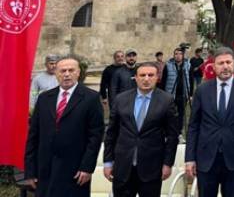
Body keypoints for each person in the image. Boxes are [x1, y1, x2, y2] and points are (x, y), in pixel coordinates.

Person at [24, 56, 104, 197]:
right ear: (56, 73)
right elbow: (33, 136)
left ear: (78, 73)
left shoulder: (91, 98)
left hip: (75, 171)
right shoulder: (44, 98)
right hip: (45, 170)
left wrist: (87, 168)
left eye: (71, 70)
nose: (66, 74)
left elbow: (95, 136)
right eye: (62, 71)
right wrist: (30, 171)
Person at [185, 47, 234, 197]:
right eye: (221, 63)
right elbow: (193, 126)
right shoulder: (202, 90)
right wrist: (190, 158)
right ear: (214, 66)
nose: (225, 66)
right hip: (206, 158)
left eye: (228, 62)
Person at [103, 62, 179, 197]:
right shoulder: (121, 99)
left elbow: (172, 136)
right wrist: (108, 162)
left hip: (152, 168)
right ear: (136, 78)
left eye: (151, 75)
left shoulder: (166, 101)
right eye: (142, 75)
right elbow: (111, 133)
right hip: (123, 167)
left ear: (157, 78)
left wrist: (168, 163)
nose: (146, 79)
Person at [160, 47, 191, 137]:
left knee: (181, 114)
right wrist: (162, 94)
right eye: (176, 54)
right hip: (170, 94)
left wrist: (190, 94)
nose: (178, 56)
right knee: (170, 113)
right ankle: (168, 131)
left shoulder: (187, 65)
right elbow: (163, 80)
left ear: (183, 55)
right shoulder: (168, 65)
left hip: (182, 94)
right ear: (173, 55)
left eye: (180, 54)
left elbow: (191, 78)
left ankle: (179, 132)